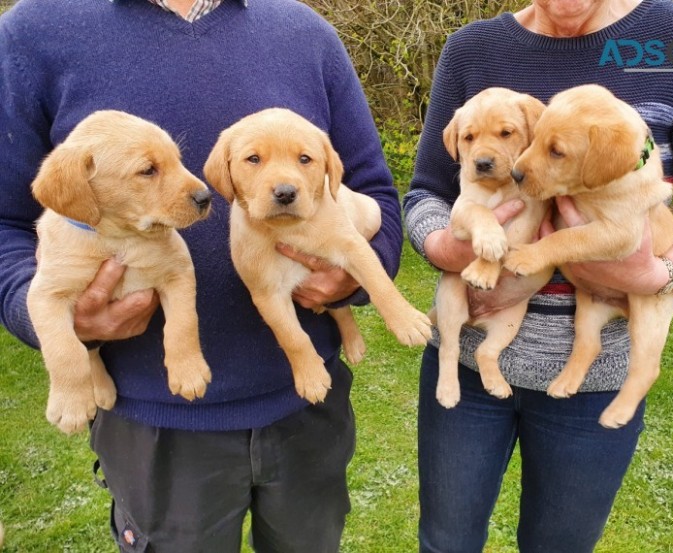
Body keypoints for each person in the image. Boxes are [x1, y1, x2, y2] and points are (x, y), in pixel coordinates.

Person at [0, 0, 402, 551]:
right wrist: (50, 314)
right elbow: (6, 221)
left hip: (305, 402)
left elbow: (372, 191)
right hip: (158, 422)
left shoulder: (306, 32)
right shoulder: (34, 31)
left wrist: (354, 275)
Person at [403, 0, 673, 551]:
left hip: (594, 373)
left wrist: (668, 271)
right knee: (445, 543)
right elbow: (426, 194)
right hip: (466, 360)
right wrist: (444, 245)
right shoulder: (473, 48)